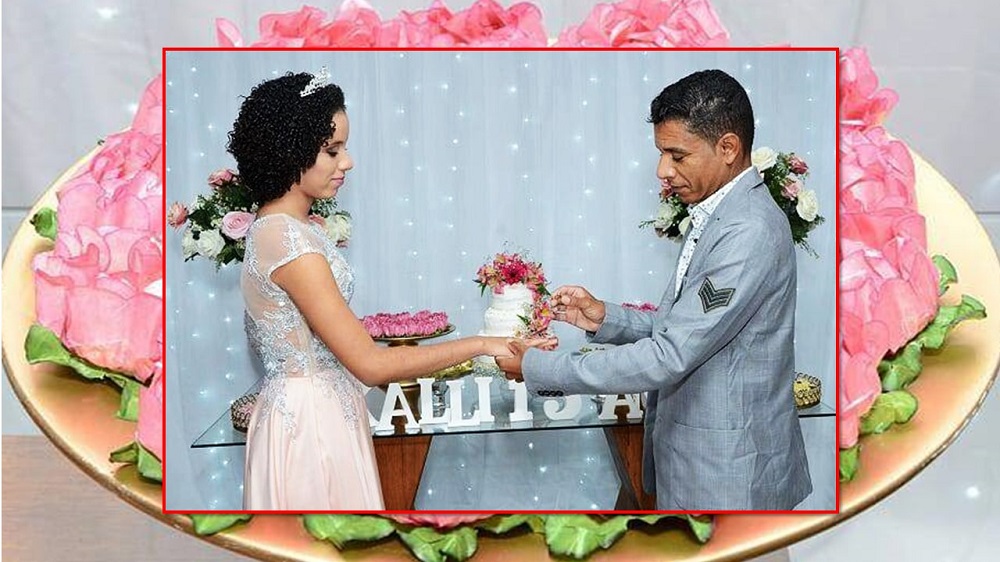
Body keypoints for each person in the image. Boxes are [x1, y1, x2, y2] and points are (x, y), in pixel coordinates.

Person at [229, 71, 552, 510]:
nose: (347, 162)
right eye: (332, 150)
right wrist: (482, 343)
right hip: (310, 427)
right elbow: (370, 364)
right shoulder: (286, 240)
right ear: (291, 150)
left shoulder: (290, 229)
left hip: (319, 411)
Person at [497, 69, 812, 511]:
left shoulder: (748, 230)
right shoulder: (722, 212)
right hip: (708, 467)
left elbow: (670, 354)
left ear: (727, 148)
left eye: (677, 155)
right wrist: (606, 318)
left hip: (730, 475)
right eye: (662, 154)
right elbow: (689, 328)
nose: (663, 171)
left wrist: (541, 368)